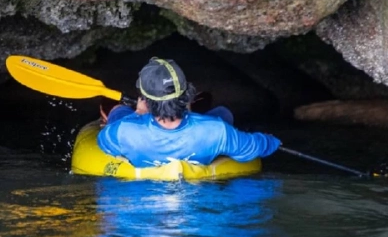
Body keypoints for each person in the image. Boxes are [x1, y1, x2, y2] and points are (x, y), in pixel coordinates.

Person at [96, 57, 281, 167]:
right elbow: (256, 147)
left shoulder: (124, 131)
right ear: (186, 94)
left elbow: (103, 143)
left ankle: (121, 111)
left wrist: (137, 114)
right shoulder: (217, 131)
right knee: (223, 113)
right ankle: (192, 110)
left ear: (144, 99)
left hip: (140, 130)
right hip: (201, 134)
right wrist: (271, 140)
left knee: (118, 109)